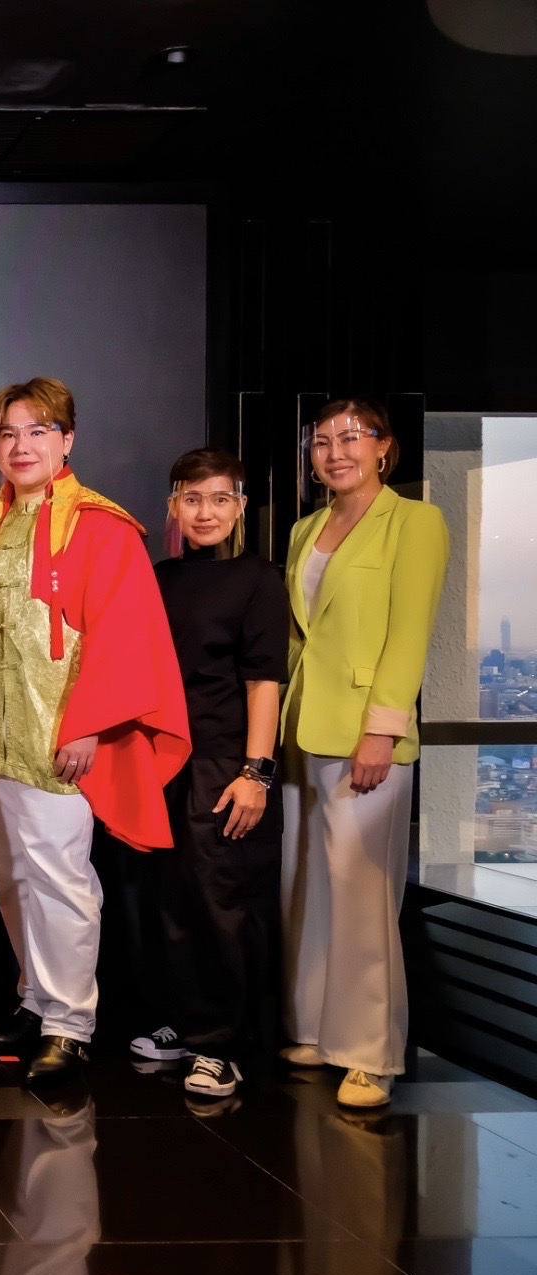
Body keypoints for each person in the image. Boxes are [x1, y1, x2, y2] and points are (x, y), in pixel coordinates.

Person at [0, 378, 189, 1088]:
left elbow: (123, 637)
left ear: (67, 439)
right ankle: (34, 999)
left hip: (57, 732)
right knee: (9, 875)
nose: (21, 445)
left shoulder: (101, 526)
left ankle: (71, 1024)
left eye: (37, 430)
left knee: (61, 879)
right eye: (8, 432)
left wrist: (88, 726)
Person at [281, 398, 448, 1109]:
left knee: (363, 893)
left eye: (351, 438)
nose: (335, 452)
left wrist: (382, 728)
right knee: (309, 885)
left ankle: (371, 1054)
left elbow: (409, 634)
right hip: (302, 724)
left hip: (364, 734)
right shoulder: (306, 528)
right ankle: (318, 1029)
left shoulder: (415, 522)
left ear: (385, 447)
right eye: (322, 441)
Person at [128, 448, 289, 1100]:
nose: (205, 511)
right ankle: (186, 1023)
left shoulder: (259, 580)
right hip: (162, 756)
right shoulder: (159, 577)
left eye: (220, 499)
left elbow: (265, 682)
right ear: (173, 505)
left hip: (225, 761)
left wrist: (257, 772)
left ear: (240, 507)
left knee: (223, 904)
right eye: (192, 499)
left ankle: (223, 1047)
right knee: (170, 898)